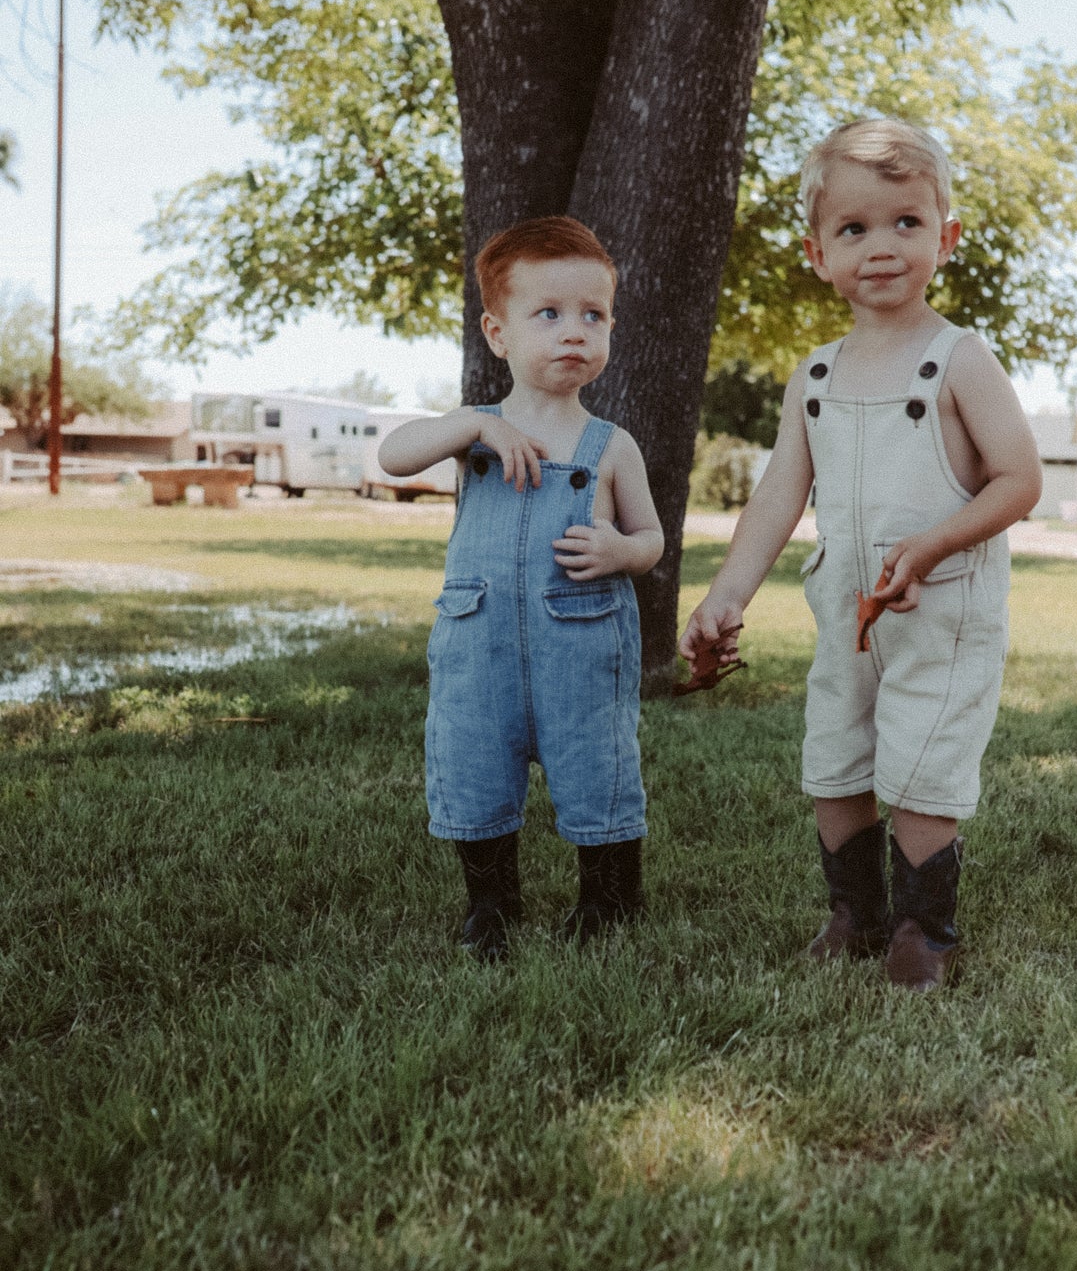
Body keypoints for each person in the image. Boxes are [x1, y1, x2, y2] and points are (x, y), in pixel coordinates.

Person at [679, 119, 1042, 990]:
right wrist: (727, 592)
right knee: (835, 757)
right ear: (816, 252)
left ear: (944, 238)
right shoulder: (813, 377)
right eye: (854, 229)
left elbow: (1018, 480)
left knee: (923, 764)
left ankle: (924, 931)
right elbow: (777, 495)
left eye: (905, 223)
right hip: (845, 611)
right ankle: (854, 913)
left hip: (939, 611)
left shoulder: (957, 361)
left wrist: (936, 540)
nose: (880, 247)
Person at [380, 215, 664, 961]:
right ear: (497, 333)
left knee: (595, 762)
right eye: (549, 314)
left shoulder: (612, 445)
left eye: (592, 316)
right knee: (475, 763)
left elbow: (652, 540)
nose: (574, 331)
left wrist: (619, 550)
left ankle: (608, 898)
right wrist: (475, 422)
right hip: (482, 644)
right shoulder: (470, 431)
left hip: (582, 641)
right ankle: (490, 906)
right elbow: (392, 455)